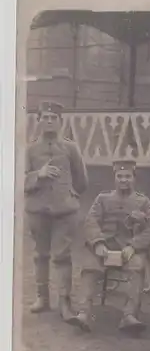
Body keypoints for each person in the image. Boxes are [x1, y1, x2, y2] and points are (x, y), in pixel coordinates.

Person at [71, 159, 150, 334]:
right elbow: (91, 222)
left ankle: (129, 316)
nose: (123, 180)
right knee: (90, 266)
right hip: (104, 247)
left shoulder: (143, 202)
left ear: (134, 178)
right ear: (114, 178)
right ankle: (84, 313)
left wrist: (134, 246)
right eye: (120, 176)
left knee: (137, 266)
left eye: (127, 176)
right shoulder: (103, 199)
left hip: (129, 249)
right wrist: (98, 243)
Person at [25, 101, 88, 321]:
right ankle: (42, 298)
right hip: (38, 210)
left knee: (62, 256)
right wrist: (37, 175)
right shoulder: (30, 149)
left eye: (54, 118)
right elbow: (16, 181)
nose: (49, 121)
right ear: (39, 120)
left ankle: (64, 302)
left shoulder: (71, 148)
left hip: (64, 212)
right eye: (45, 117)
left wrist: (69, 195)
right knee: (40, 255)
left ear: (61, 122)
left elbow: (81, 180)